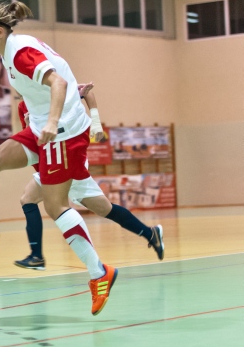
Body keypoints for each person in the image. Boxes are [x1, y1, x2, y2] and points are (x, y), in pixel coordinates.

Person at [0, 1, 162, 314]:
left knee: (54, 205)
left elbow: (59, 83)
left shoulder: (20, 53)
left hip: (60, 132)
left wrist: (55, 121)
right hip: (44, 128)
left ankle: (98, 273)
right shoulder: (11, 52)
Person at [14, 83, 165, 270]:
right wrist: (29, 127)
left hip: (66, 158)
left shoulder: (52, 90)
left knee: (28, 199)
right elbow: (34, 143)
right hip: (51, 161)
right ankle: (151, 234)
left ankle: (39, 256)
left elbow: (86, 93)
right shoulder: (23, 107)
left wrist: (95, 122)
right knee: (105, 209)